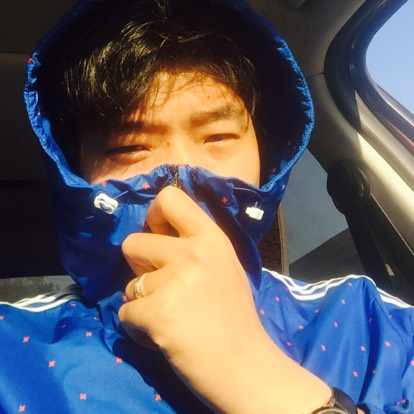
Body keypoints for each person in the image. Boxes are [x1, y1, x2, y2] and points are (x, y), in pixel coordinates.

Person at [0, 0, 412, 412]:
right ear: (73, 171)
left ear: (268, 160)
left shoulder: (373, 322)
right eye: (129, 147)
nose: (177, 194)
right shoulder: (12, 349)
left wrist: (266, 381)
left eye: (217, 137)